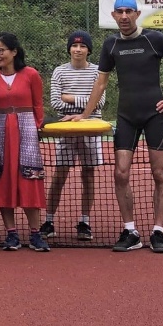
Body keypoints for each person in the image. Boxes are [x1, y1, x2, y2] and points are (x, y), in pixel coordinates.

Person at [73, 0, 163, 253]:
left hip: (155, 115)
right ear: (114, 15)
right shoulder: (110, 44)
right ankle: (130, 231)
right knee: (120, 173)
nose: (124, 16)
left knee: (159, 173)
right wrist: (85, 114)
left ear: (137, 14)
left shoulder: (155, 39)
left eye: (129, 11)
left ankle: (158, 232)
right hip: (126, 116)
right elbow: (101, 81)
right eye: (120, 12)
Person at [0, 33, 49, 252]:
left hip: (26, 128)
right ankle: (11, 234)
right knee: (2, 177)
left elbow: (38, 105)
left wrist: (36, 127)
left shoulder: (31, 74)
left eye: (1, 50)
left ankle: (36, 234)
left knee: (30, 177)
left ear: (14, 51)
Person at [42, 31, 105, 242]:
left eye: (83, 46)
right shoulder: (59, 72)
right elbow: (56, 103)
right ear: (69, 48)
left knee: (88, 175)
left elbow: (100, 102)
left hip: (92, 128)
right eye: (75, 46)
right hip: (65, 128)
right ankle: (48, 221)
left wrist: (70, 97)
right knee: (59, 175)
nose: (78, 50)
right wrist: (86, 101)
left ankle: (84, 222)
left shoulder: (98, 71)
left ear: (88, 50)